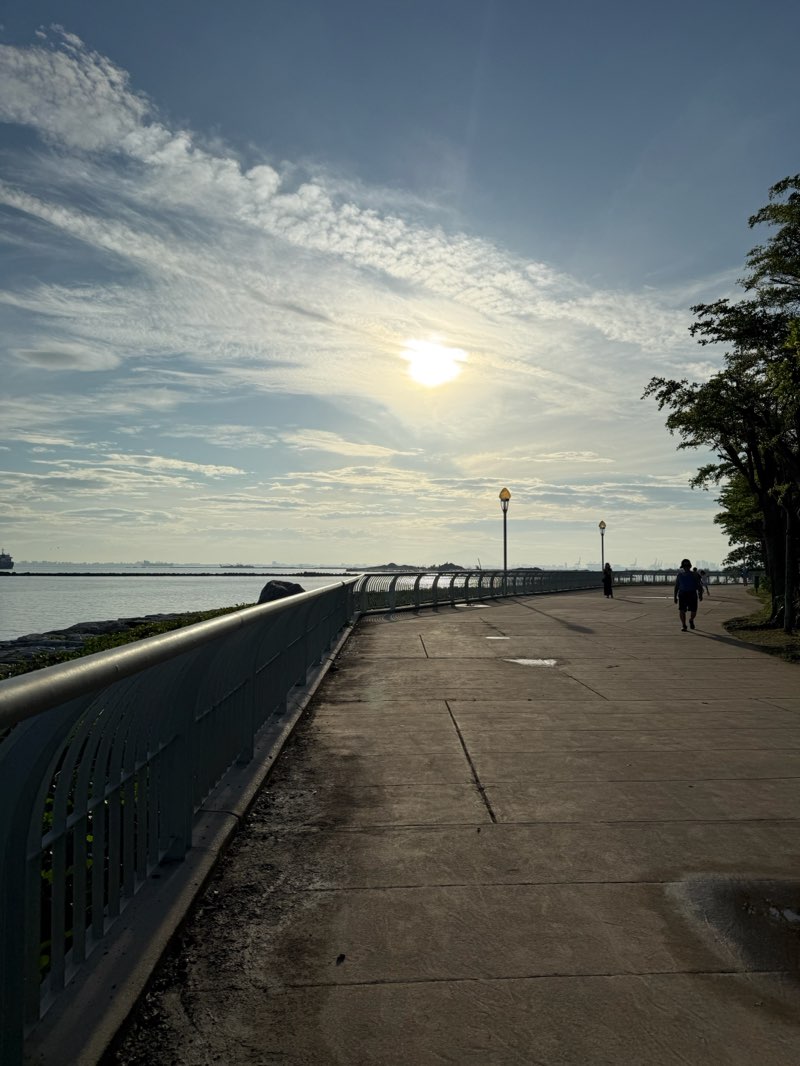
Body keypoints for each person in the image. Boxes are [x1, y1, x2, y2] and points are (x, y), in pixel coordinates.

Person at [674, 558, 702, 631]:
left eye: (687, 566)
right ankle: (684, 625)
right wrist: (675, 597)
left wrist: (700, 594)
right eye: (684, 566)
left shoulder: (694, 574)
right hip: (682, 594)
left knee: (694, 611)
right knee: (682, 610)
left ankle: (691, 620)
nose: (686, 567)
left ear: (690, 566)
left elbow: (699, 585)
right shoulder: (679, 575)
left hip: (692, 594)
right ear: (682, 567)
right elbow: (676, 586)